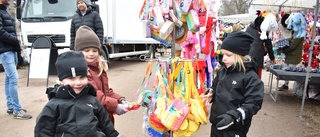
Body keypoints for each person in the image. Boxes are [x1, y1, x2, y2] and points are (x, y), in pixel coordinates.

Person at [34, 51, 121, 137]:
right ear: (61, 81)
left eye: (82, 77)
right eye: (71, 78)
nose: (78, 82)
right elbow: (43, 131)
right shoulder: (53, 106)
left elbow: (105, 124)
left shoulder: (93, 101)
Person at [203, 31, 264, 137]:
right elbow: (215, 85)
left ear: (240, 55)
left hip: (235, 128)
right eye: (223, 55)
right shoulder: (223, 70)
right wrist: (211, 92)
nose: (224, 58)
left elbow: (254, 102)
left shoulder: (250, 77)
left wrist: (235, 116)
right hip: (217, 123)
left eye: (229, 55)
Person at [74, 25, 128, 125]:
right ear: (79, 52)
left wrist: (120, 98)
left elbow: (105, 91)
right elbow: (95, 94)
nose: (91, 54)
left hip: (103, 115)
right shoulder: (83, 72)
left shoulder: (99, 68)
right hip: (92, 117)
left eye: (95, 50)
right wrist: (115, 105)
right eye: (86, 51)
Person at [0, 0, 32, 119]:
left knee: (9, 78)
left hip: (10, 50)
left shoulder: (5, 10)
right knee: (13, 78)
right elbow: (1, 32)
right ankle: (17, 110)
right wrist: (15, 41)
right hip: (5, 51)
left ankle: (11, 106)